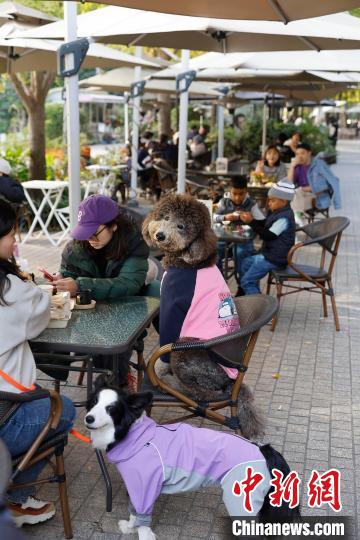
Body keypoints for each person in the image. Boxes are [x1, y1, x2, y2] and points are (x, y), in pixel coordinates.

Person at [0, 199, 75, 527]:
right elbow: (41, 315)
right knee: (65, 409)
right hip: (5, 417)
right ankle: (15, 497)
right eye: (11, 234)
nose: (16, 241)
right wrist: (28, 282)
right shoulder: (12, 290)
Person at [54, 195, 153, 385]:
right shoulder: (74, 247)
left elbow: (129, 283)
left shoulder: (134, 243)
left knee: (113, 342)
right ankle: (107, 384)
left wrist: (80, 285)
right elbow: (68, 275)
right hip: (86, 314)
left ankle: (115, 387)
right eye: (85, 231)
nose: (89, 238)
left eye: (95, 232)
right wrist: (62, 281)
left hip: (125, 311)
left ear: (113, 225)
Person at [237, 180, 296, 295]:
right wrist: (251, 220)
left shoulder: (284, 218)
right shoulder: (277, 211)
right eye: (269, 199)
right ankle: (247, 294)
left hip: (275, 259)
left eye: (272, 200)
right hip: (268, 255)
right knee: (245, 263)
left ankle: (259, 307)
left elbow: (268, 235)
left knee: (247, 281)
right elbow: (266, 224)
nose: (268, 203)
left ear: (283, 201)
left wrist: (252, 222)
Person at [214, 176, 264, 296]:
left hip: (243, 241)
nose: (237, 197)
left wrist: (251, 220)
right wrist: (224, 217)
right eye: (234, 194)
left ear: (246, 191)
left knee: (242, 255)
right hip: (224, 240)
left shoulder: (251, 205)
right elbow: (214, 217)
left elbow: (262, 222)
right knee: (213, 253)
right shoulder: (223, 202)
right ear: (230, 191)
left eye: (241, 194)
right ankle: (219, 284)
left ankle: (242, 287)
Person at [288, 143, 341, 224]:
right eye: (297, 154)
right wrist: (292, 167)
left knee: (294, 195)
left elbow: (334, 181)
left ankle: (297, 218)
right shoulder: (297, 166)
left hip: (317, 197)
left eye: (302, 153)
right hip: (301, 196)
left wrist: (337, 203)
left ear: (309, 153)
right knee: (292, 194)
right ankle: (297, 218)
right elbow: (289, 184)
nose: (299, 156)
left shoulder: (319, 164)